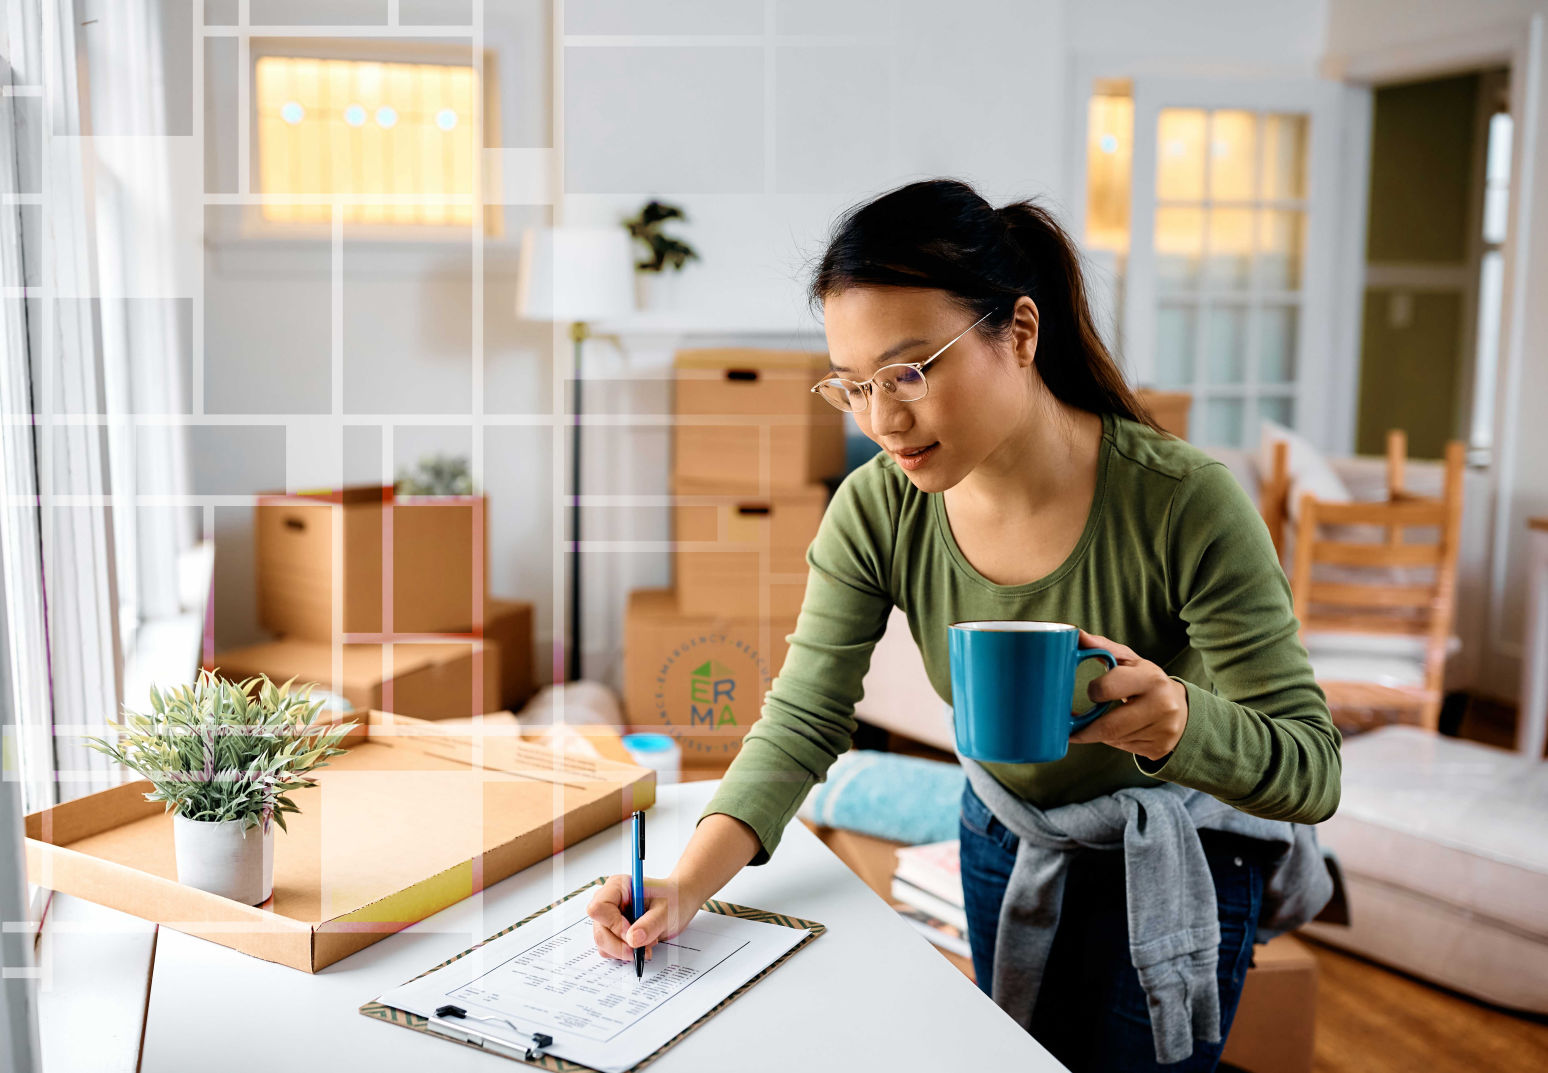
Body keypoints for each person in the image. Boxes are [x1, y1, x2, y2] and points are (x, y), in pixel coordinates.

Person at [587, 178, 1341, 1071]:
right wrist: (683, 887)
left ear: (1020, 332)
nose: (882, 419)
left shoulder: (1184, 502)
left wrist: (1179, 719)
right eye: (855, 386)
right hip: (1005, 835)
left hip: (1180, 854)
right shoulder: (877, 509)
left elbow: (1313, 768)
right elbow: (802, 719)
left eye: (910, 370)